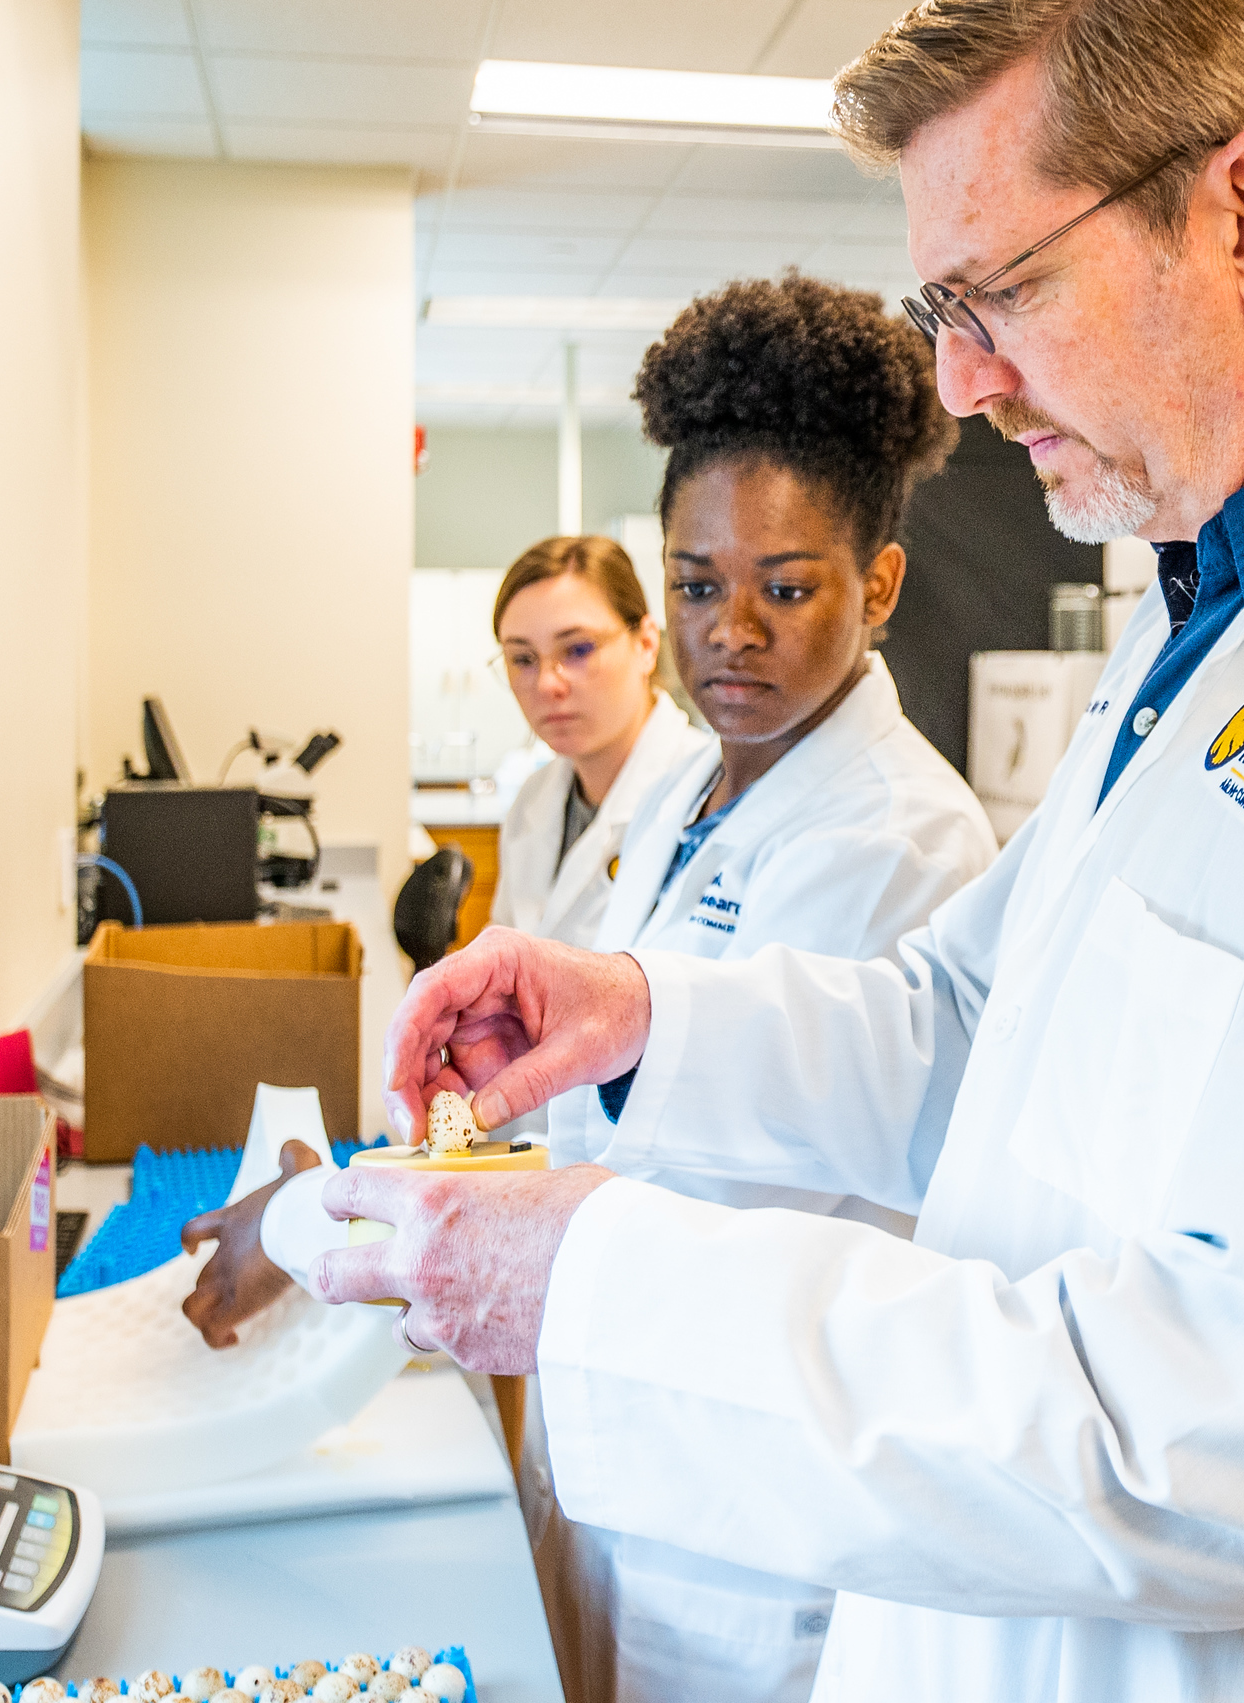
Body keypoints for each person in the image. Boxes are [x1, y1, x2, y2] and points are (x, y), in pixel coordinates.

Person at [327, 2, 1244, 1696]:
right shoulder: (1223, 605)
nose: (961, 385)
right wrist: (646, 1018)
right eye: (940, 312)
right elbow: (982, 1038)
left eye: (1000, 294)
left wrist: (594, 1283)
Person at [192, 273, 998, 1703]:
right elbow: (611, 1090)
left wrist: (318, 1210)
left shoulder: (899, 835)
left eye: (786, 588)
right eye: (696, 585)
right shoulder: (683, 775)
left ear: (876, 583)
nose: (728, 631)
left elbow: (686, 1170)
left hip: (742, 1518)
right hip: (609, 1436)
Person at [489, 534, 706, 955]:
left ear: (645, 644)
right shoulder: (532, 802)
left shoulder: (707, 799)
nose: (547, 683)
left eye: (578, 649)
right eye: (523, 659)